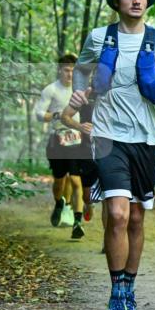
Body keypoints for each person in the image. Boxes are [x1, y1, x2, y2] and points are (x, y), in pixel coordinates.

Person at [69, 0, 155, 310]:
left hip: (147, 139)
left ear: (147, 2)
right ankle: (116, 292)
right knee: (117, 214)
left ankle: (130, 288)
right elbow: (81, 71)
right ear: (117, 2)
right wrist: (79, 95)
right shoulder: (99, 38)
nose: (136, 1)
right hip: (107, 136)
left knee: (136, 217)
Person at [34, 54, 82, 230]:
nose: (70, 74)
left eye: (73, 71)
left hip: (77, 139)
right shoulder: (51, 90)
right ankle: (59, 203)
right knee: (60, 180)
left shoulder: (81, 89)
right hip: (58, 138)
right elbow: (39, 114)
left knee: (75, 179)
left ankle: (73, 214)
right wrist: (55, 115)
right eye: (67, 70)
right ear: (60, 70)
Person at [60, 89, 103, 241]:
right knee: (82, 190)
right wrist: (79, 126)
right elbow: (64, 116)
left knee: (107, 196)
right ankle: (84, 213)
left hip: (108, 152)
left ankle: (109, 239)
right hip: (84, 151)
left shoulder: (119, 92)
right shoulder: (86, 94)